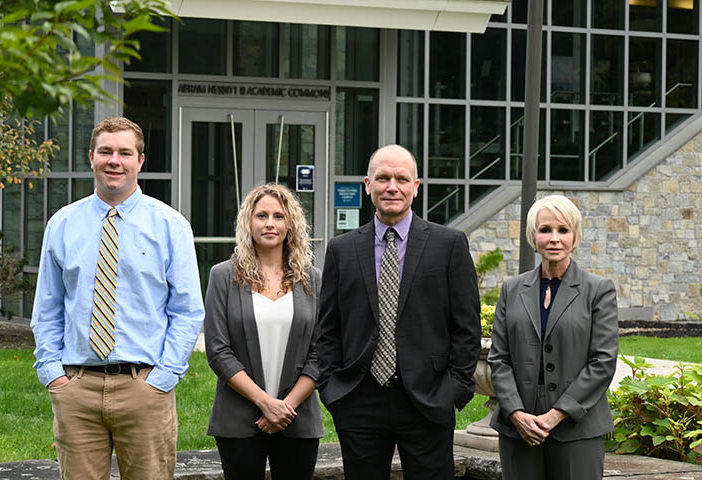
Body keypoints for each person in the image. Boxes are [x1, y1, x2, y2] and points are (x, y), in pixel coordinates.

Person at [31, 117, 205, 480]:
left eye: (125, 153)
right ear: (91, 156)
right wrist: (53, 375)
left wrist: (163, 377)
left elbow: (187, 311)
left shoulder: (170, 226)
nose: (115, 161)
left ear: (140, 161)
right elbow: (47, 309)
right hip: (77, 389)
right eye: (106, 152)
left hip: (143, 388)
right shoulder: (61, 225)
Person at [317, 144, 481, 479]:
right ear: (368, 185)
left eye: (402, 179)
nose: (392, 186)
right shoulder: (341, 250)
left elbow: (466, 326)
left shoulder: (448, 244)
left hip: (429, 399)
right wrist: (333, 390)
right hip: (359, 400)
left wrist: (455, 392)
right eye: (383, 178)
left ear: (416, 187)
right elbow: (328, 328)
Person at [488, 194, 619, 480]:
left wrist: (556, 414)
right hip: (518, 428)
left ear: (575, 236)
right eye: (545, 230)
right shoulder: (512, 289)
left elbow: (603, 362)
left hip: (576, 428)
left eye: (563, 230)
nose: (554, 238)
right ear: (533, 237)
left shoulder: (598, 290)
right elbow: (498, 358)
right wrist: (515, 413)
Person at [204, 184, 323, 480]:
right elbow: (218, 351)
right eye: (262, 215)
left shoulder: (314, 280)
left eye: (278, 216)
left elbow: (323, 351)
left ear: (290, 224)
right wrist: (265, 403)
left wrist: (286, 407)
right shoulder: (222, 276)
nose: (270, 223)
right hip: (238, 419)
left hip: (297, 418)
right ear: (248, 222)